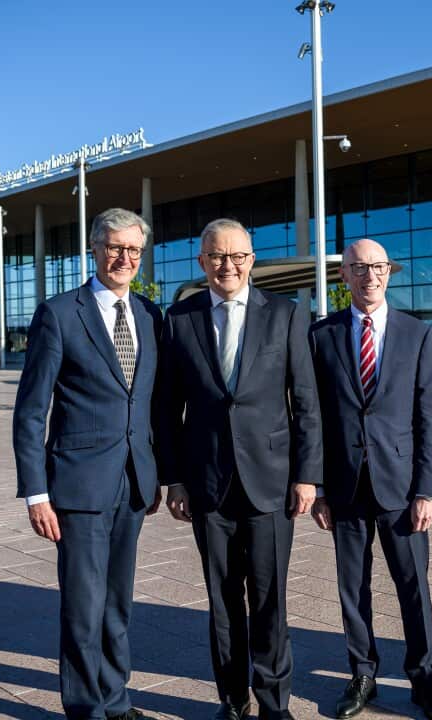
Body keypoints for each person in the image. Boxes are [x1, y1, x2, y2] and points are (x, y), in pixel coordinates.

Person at [160, 218, 322, 720]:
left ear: (252, 260)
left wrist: (307, 475)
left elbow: (307, 402)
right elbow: (167, 408)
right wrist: (176, 478)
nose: (226, 265)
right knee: (223, 602)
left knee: (270, 600)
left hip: (272, 482)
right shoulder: (180, 317)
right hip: (208, 484)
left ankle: (275, 703)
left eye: (237, 256)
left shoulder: (287, 314)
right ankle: (232, 699)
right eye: (216, 256)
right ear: (202, 261)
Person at [12, 208, 163, 720]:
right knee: (83, 607)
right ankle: (84, 709)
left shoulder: (148, 315)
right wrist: (36, 493)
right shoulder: (59, 313)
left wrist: (158, 471)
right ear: (94, 250)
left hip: (134, 484)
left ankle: (116, 703)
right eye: (115, 248)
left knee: (118, 604)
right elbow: (31, 412)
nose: (125, 258)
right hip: (77, 488)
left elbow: (152, 404)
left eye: (134, 250)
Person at [309, 239, 432, 720]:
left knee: (414, 587)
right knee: (353, 588)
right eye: (358, 268)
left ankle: (424, 680)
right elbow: (314, 418)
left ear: (389, 272)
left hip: (402, 485)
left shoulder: (416, 334)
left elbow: (428, 421)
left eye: (377, 267)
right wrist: (319, 488)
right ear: (344, 276)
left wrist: (426, 489)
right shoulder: (321, 334)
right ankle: (363, 674)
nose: (369, 275)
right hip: (345, 485)